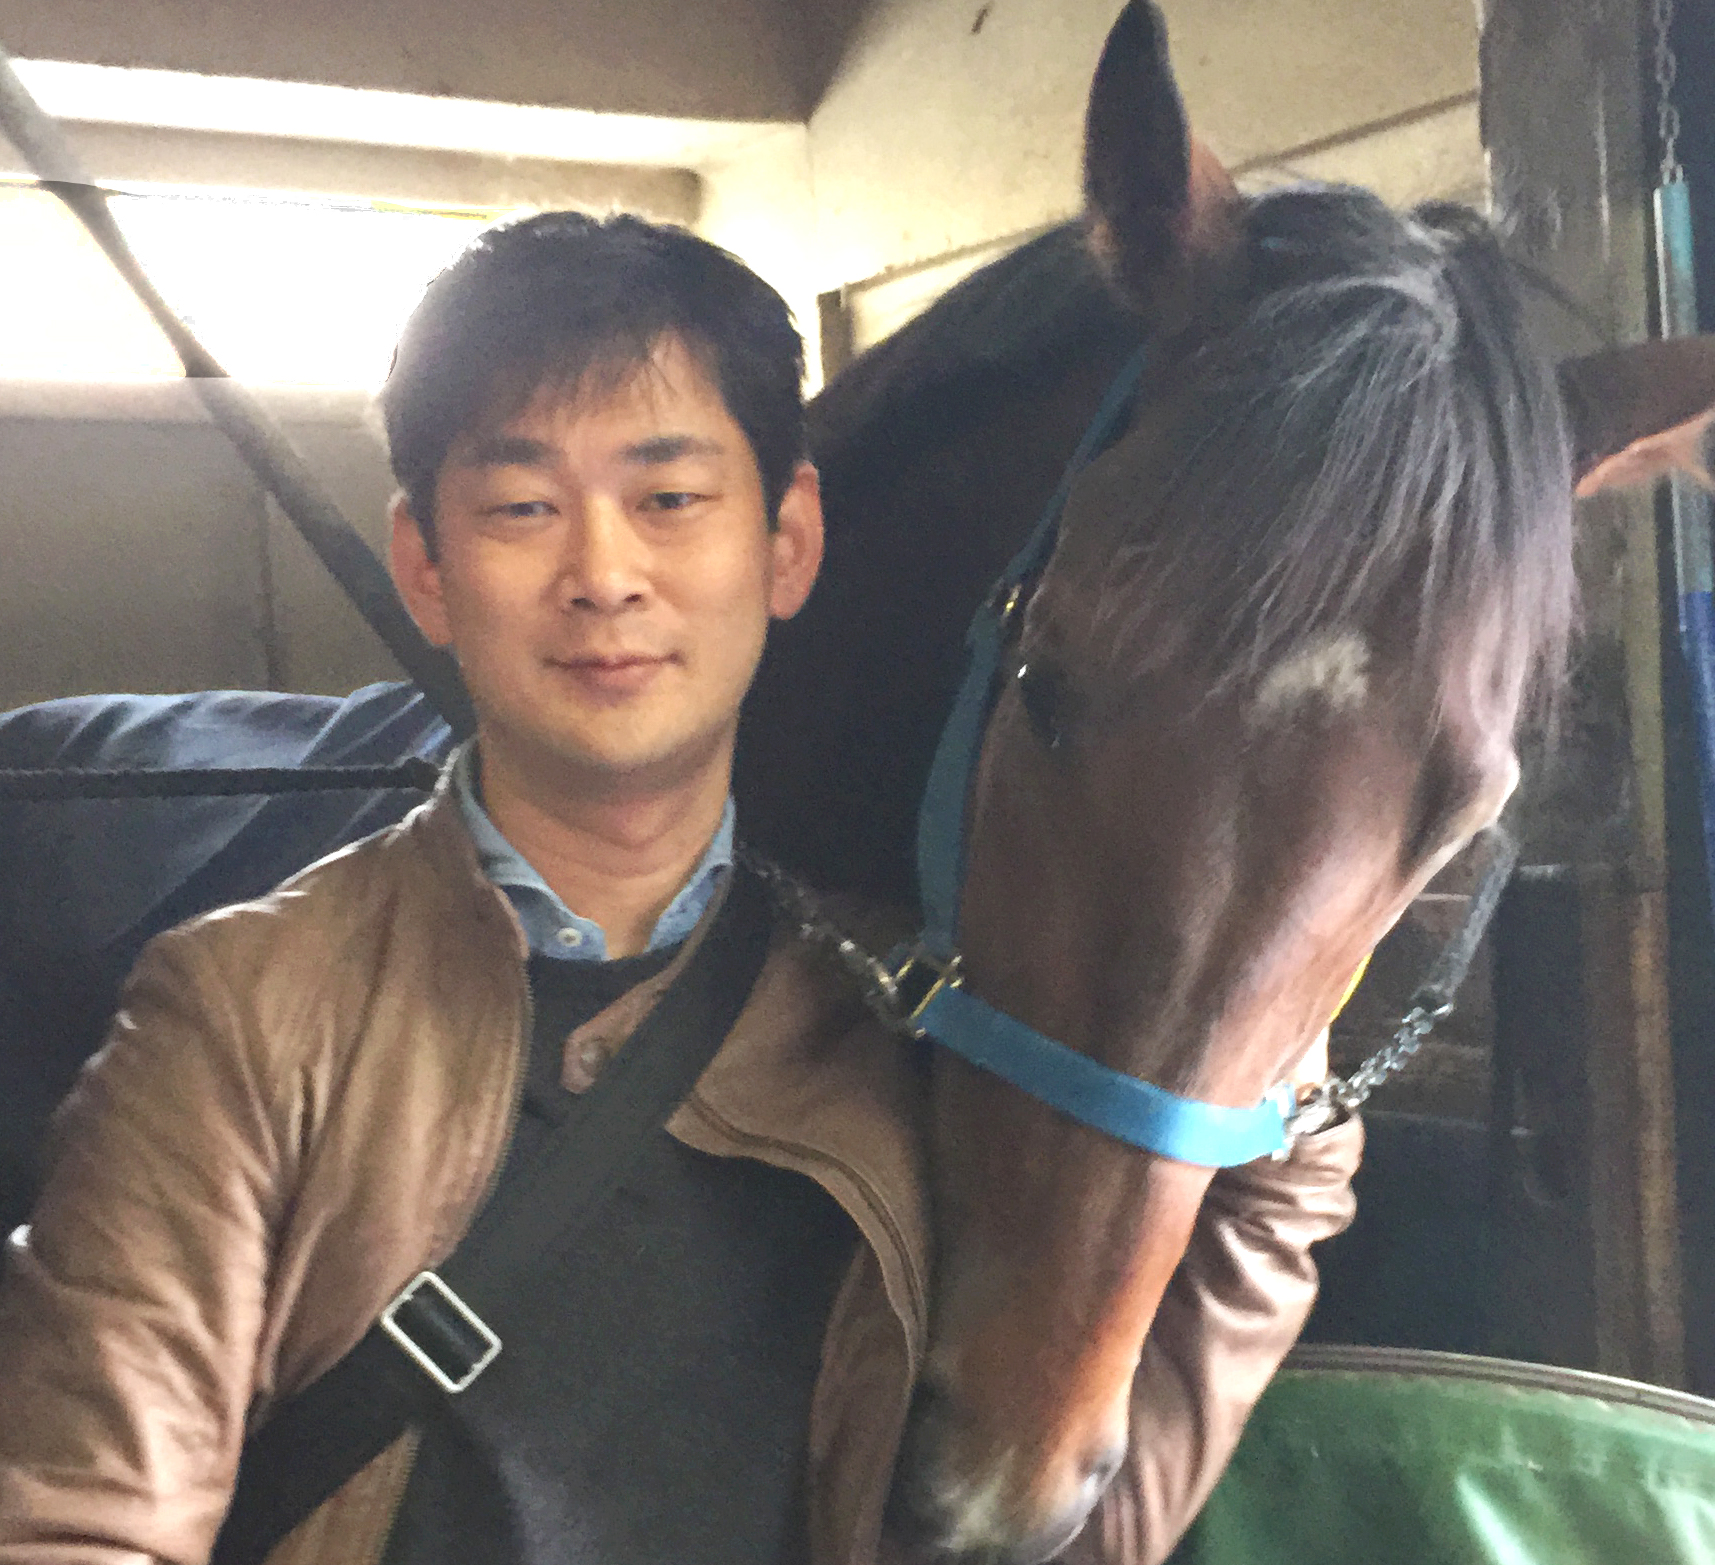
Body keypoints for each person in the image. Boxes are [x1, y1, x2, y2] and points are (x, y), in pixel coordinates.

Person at [0, 211, 1362, 1564]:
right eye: (524, 507)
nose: (603, 575)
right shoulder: (248, 1011)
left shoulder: (907, 1020)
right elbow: (83, 1521)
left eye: (669, 499)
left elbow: (1076, 1526)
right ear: (426, 565)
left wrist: (1273, 999)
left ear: (787, 544)